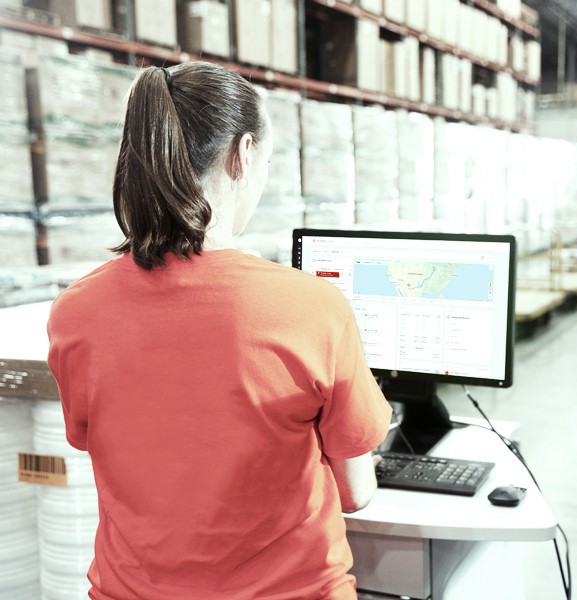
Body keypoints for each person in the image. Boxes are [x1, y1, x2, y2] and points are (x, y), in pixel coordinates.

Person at [46, 62, 392, 599]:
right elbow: (357, 493)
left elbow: (109, 444)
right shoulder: (311, 307)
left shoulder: (75, 312)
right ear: (244, 154)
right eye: (269, 160)